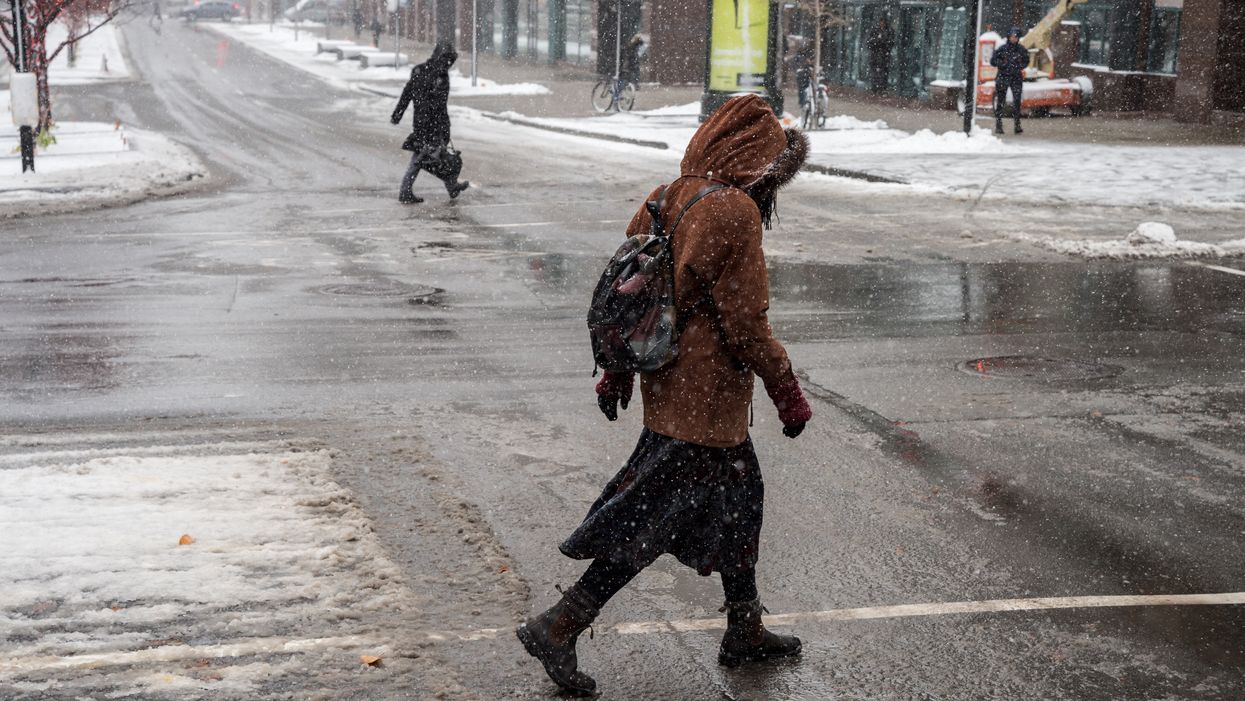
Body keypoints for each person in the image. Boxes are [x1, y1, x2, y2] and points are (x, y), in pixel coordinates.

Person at [516, 94, 813, 697]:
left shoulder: (668, 194)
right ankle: (561, 623)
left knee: (739, 501)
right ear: (755, 157)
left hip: (670, 384)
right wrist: (785, 388)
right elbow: (746, 321)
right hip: (704, 401)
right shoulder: (733, 211)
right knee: (647, 520)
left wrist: (619, 369)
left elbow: (631, 288)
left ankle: (745, 627)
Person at [390, 44, 469, 204]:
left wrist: (398, 113)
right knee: (421, 158)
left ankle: (451, 186)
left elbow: (407, 93)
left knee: (436, 156)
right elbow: (440, 104)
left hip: (421, 121)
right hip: (434, 123)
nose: (449, 64)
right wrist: (444, 127)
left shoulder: (419, 70)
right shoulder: (441, 76)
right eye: (448, 60)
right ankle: (405, 191)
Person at [991, 26, 1029, 134]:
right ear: (1008, 37)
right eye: (1012, 36)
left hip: (1016, 78)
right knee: (1000, 102)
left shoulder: (1021, 49)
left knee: (1017, 102)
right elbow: (993, 60)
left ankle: (1017, 125)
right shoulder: (1002, 49)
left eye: (1016, 37)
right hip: (1003, 77)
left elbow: (1026, 60)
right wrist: (1002, 64)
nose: (1014, 39)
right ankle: (999, 125)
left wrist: (1019, 66)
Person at [865, 15, 894, 95]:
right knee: (875, 73)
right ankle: (875, 88)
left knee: (883, 73)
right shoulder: (874, 30)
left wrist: (881, 41)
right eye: (881, 22)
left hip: (884, 56)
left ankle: (882, 89)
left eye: (883, 22)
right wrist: (879, 41)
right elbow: (869, 42)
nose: (882, 24)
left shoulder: (889, 31)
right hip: (875, 56)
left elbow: (890, 43)